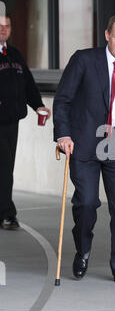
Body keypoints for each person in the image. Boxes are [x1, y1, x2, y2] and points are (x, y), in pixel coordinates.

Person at [53, 13, 115, 284]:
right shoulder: (84, 60)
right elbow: (63, 100)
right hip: (84, 143)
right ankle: (82, 249)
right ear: (107, 35)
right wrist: (63, 134)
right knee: (86, 203)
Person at [0, 13, 51, 230]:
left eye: (7, 26)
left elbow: (28, 83)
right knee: (2, 168)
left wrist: (38, 105)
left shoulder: (14, 54)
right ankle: (7, 214)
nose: (3, 30)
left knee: (6, 168)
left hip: (12, 121)